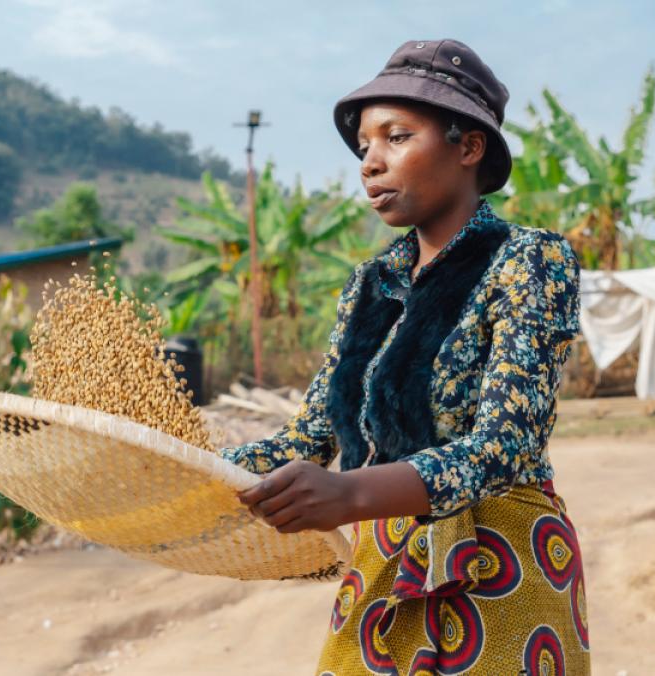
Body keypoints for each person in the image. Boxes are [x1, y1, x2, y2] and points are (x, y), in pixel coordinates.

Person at [219, 38, 589, 675]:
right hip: (379, 565)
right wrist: (190, 469)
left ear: (468, 146)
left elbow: (503, 445)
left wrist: (349, 494)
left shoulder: (530, 261)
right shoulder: (371, 285)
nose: (370, 162)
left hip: (498, 564)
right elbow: (310, 436)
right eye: (365, 145)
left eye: (396, 137)